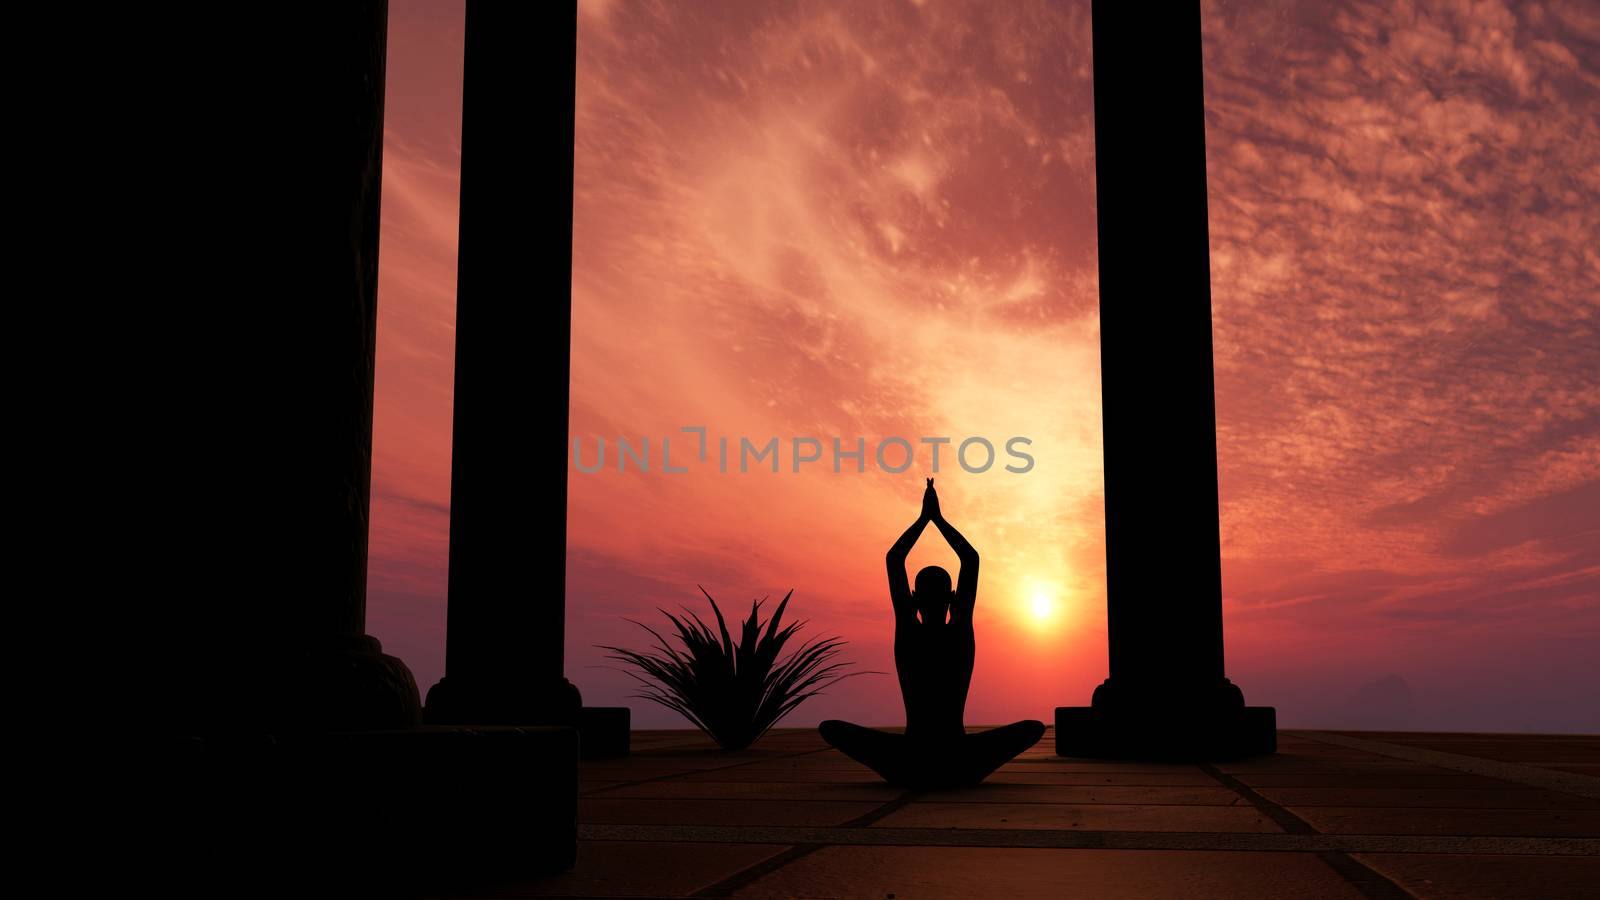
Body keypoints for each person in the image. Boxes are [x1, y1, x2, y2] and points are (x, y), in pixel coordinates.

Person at [819, 478, 1045, 788]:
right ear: (952, 597)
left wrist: (924, 519)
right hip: (960, 757)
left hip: (910, 758)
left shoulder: (909, 630)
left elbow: (894, 559)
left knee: (832, 728)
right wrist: (937, 519)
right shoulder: (960, 632)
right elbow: (971, 559)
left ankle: (915, 770)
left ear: (913, 598)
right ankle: (953, 771)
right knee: (1032, 728)